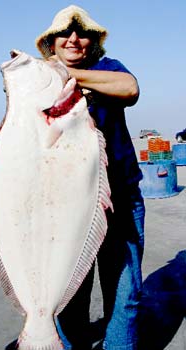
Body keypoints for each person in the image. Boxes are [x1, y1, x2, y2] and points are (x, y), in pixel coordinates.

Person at [34, 5, 145, 350]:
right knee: (69, 302)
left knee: (124, 295)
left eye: (81, 33)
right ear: (51, 42)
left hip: (121, 201)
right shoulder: (35, 81)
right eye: (64, 33)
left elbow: (130, 88)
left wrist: (66, 75)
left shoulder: (108, 69)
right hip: (65, 208)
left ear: (92, 41)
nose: (73, 39)